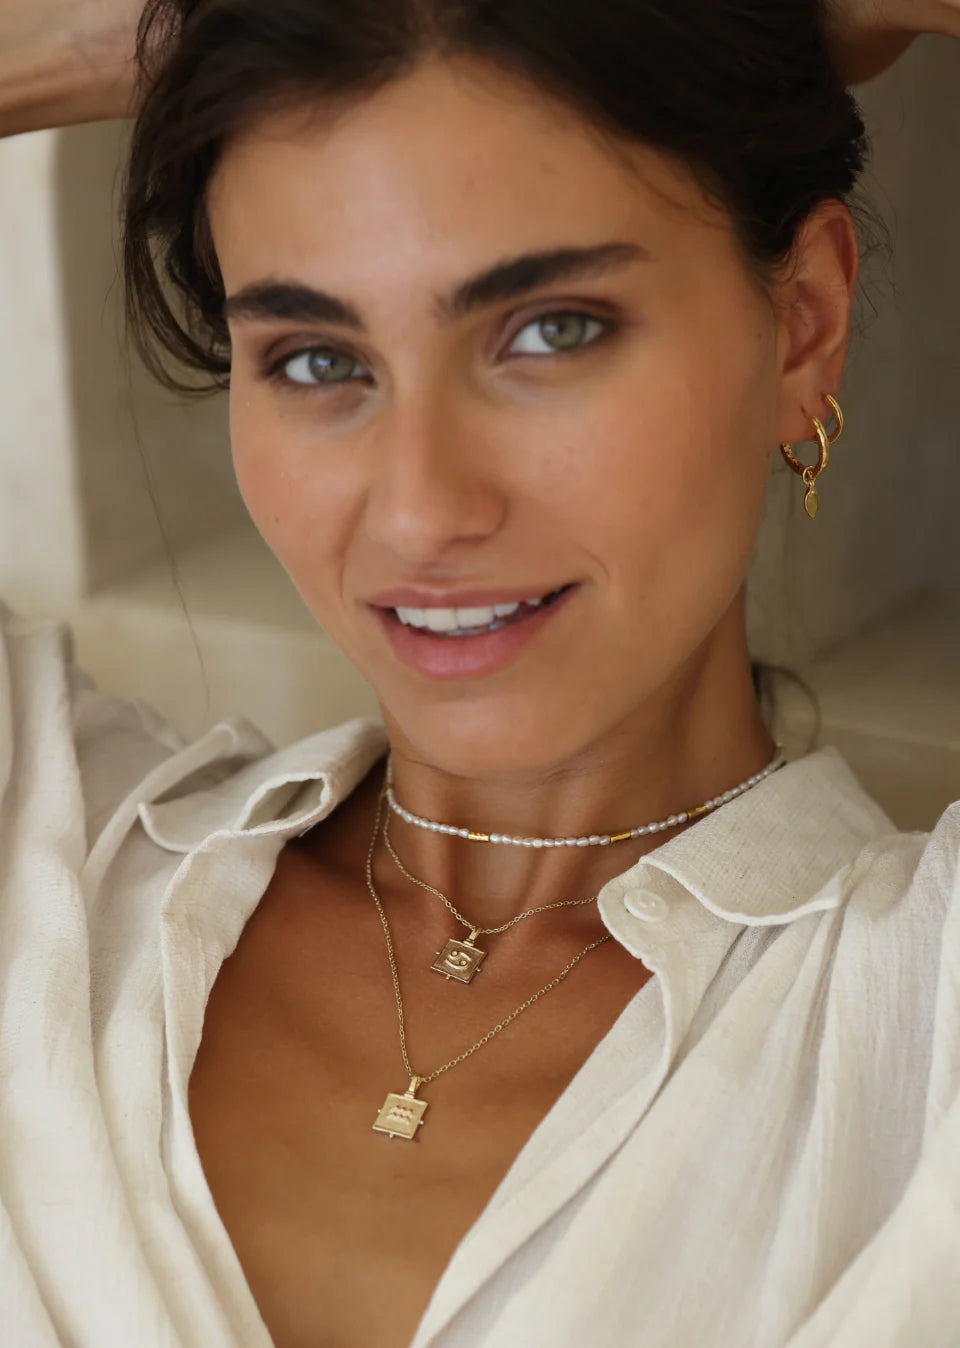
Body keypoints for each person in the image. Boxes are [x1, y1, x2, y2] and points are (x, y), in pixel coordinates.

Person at [0, 2, 958, 1346]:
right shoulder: (48, 856)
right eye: (318, 360)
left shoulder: (922, 1026)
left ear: (801, 326)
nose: (420, 510)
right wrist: (157, 28)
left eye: (551, 331)